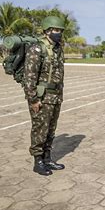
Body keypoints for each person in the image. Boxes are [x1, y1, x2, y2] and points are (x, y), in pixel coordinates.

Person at [24, 16, 66, 176]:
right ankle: (38, 161)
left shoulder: (57, 48)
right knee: (39, 129)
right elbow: (30, 77)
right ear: (47, 31)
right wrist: (33, 99)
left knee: (51, 129)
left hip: (55, 96)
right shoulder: (36, 49)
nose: (59, 33)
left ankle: (47, 158)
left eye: (60, 31)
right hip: (42, 97)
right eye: (56, 30)